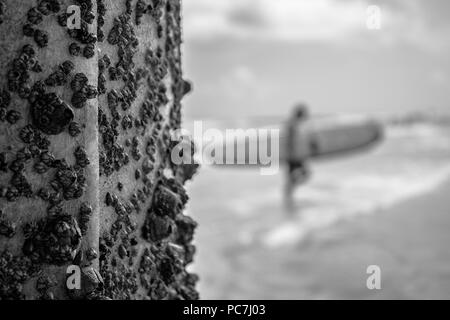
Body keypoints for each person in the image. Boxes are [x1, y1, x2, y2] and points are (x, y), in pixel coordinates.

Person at [284, 103, 311, 211]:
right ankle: (288, 199)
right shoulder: (292, 125)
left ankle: (289, 198)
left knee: (298, 176)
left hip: (295, 156)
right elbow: (290, 142)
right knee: (302, 174)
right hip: (293, 156)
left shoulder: (295, 124)